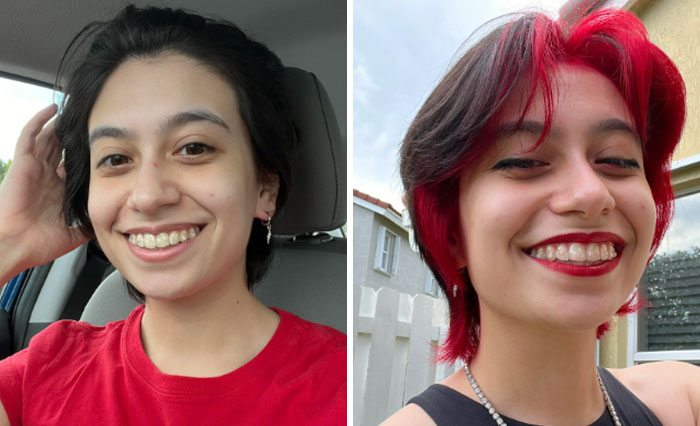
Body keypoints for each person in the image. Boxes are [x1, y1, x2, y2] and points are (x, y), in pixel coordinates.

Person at [0, 5, 345, 425]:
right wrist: (9, 245)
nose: (147, 196)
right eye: (115, 158)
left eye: (194, 148)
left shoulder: (345, 392)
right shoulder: (45, 370)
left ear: (264, 188)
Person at [384, 6, 700, 426]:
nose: (591, 194)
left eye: (618, 160)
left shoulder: (685, 402)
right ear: (453, 233)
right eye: (525, 162)